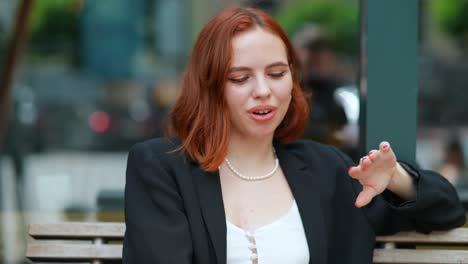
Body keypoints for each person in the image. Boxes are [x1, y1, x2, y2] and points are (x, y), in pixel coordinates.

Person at [122, 7, 466, 264]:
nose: (263, 91)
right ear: (210, 87)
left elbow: (447, 211)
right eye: (240, 78)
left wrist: (395, 178)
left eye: (276, 73)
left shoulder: (323, 170)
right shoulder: (162, 167)